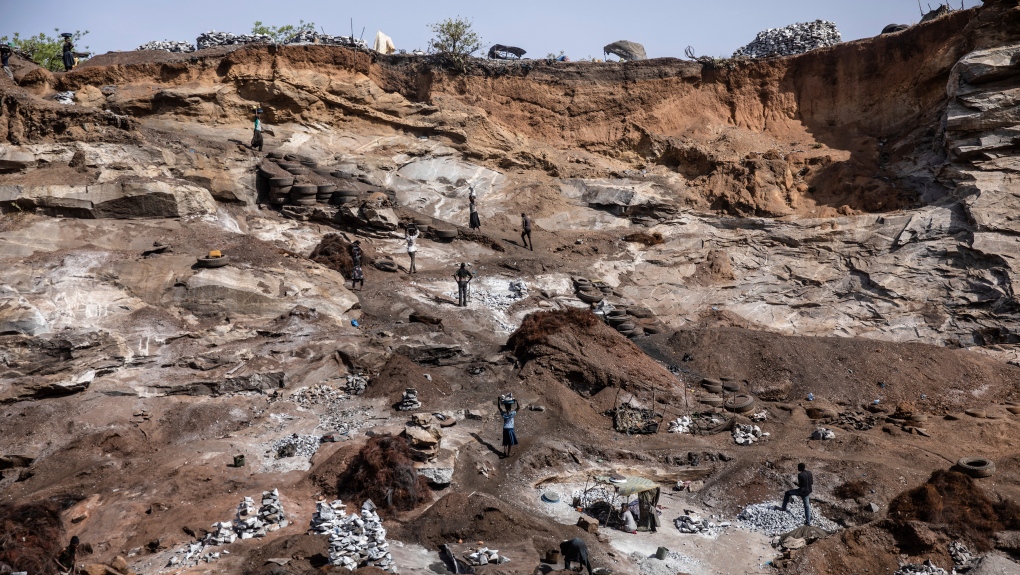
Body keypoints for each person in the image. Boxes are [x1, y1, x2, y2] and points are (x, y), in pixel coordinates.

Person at [497, 393, 519, 458]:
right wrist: (516, 401)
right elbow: (518, 408)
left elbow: (499, 407)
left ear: (505, 407)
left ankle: (504, 452)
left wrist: (498, 400)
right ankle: (508, 454)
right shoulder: (512, 413)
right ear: (510, 407)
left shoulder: (504, 414)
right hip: (510, 429)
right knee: (510, 442)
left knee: (505, 441)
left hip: (505, 428)